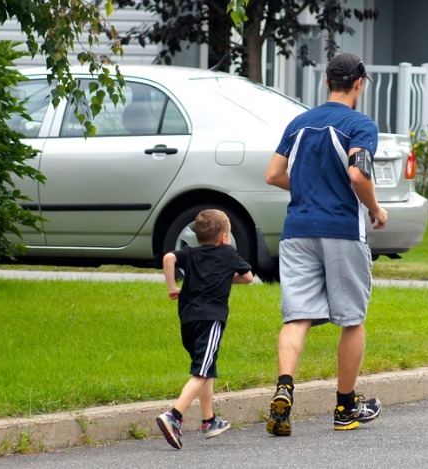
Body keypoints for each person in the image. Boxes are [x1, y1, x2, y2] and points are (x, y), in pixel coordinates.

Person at [264, 52, 389, 436]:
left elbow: (273, 174)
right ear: (359, 84)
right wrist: (376, 208)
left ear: (326, 82)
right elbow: (357, 173)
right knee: (352, 318)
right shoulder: (360, 124)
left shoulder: (299, 122)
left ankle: (284, 387)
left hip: (297, 230)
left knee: (297, 316)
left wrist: (307, 186)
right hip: (341, 231)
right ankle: (345, 408)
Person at [156, 208, 254, 449]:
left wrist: (171, 287)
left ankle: (209, 420)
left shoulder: (190, 253)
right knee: (201, 371)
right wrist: (225, 275)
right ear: (223, 237)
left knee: (207, 367)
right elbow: (248, 277)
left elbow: (169, 258)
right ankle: (174, 416)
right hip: (211, 320)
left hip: (188, 320)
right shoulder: (229, 254)